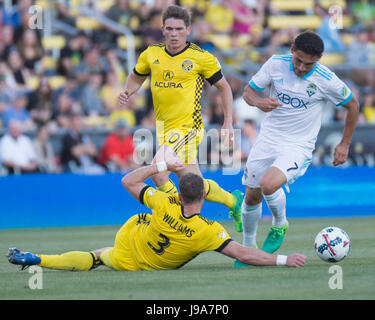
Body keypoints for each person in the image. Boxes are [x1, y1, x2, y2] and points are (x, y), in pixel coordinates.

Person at [6, 155, 306, 271]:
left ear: (179, 193)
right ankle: (232, 202)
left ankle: (38, 259)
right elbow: (244, 254)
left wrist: (162, 167)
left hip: (129, 242)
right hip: (138, 265)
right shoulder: (208, 232)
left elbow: (128, 180)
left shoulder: (165, 201)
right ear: (204, 194)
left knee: (97, 255)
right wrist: (284, 259)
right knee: (99, 256)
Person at [236, 31, 359, 267]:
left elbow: (353, 106)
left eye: (309, 63)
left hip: (297, 145)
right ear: (292, 49)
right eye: (298, 60)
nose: (302, 67)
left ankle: (280, 223)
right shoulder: (275, 64)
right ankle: (248, 249)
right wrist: (260, 102)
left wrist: (344, 143)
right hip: (268, 138)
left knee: (269, 184)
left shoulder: (327, 79)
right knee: (251, 195)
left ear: (320, 58)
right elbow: (248, 92)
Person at [118, 5, 243, 232]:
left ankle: (176, 216)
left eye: (178, 29)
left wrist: (227, 122)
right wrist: (128, 91)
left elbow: (224, 88)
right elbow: (136, 77)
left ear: (188, 30)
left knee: (159, 168)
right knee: (193, 184)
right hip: (165, 129)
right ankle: (234, 202)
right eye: (169, 29)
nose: (174, 33)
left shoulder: (200, 57)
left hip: (189, 128)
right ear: (162, 30)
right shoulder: (151, 54)